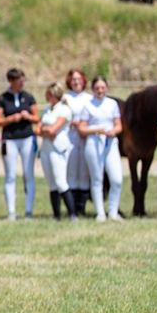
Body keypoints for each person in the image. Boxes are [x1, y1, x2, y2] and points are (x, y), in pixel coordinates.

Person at [0, 68, 39, 221]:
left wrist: (29, 117)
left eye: (23, 80)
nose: (22, 83)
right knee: (10, 175)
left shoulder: (28, 97)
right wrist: (11, 119)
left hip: (26, 138)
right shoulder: (2, 98)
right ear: (11, 81)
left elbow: (37, 118)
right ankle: (11, 211)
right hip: (10, 139)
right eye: (20, 80)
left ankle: (29, 211)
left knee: (28, 174)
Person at [77, 76, 123, 222]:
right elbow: (82, 129)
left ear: (107, 88)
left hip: (110, 143)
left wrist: (113, 131)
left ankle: (113, 211)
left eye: (102, 88)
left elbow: (118, 125)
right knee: (97, 179)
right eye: (97, 88)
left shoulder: (112, 104)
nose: (100, 91)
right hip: (94, 142)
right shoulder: (88, 105)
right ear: (92, 89)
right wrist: (96, 130)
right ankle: (100, 212)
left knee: (116, 179)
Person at [38, 82, 77, 221]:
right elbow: (39, 130)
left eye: (48, 94)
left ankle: (72, 213)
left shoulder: (64, 110)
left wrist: (46, 130)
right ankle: (56, 215)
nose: (46, 96)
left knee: (61, 182)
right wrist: (46, 131)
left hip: (58, 148)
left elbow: (53, 129)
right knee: (51, 183)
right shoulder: (47, 110)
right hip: (46, 149)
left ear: (54, 94)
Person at [63, 68, 93, 216]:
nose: (76, 82)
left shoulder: (89, 98)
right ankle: (73, 207)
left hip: (86, 137)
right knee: (72, 171)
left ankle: (82, 207)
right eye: (73, 79)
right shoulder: (65, 98)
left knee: (85, 172)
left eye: (79, 79)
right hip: (71, 137)